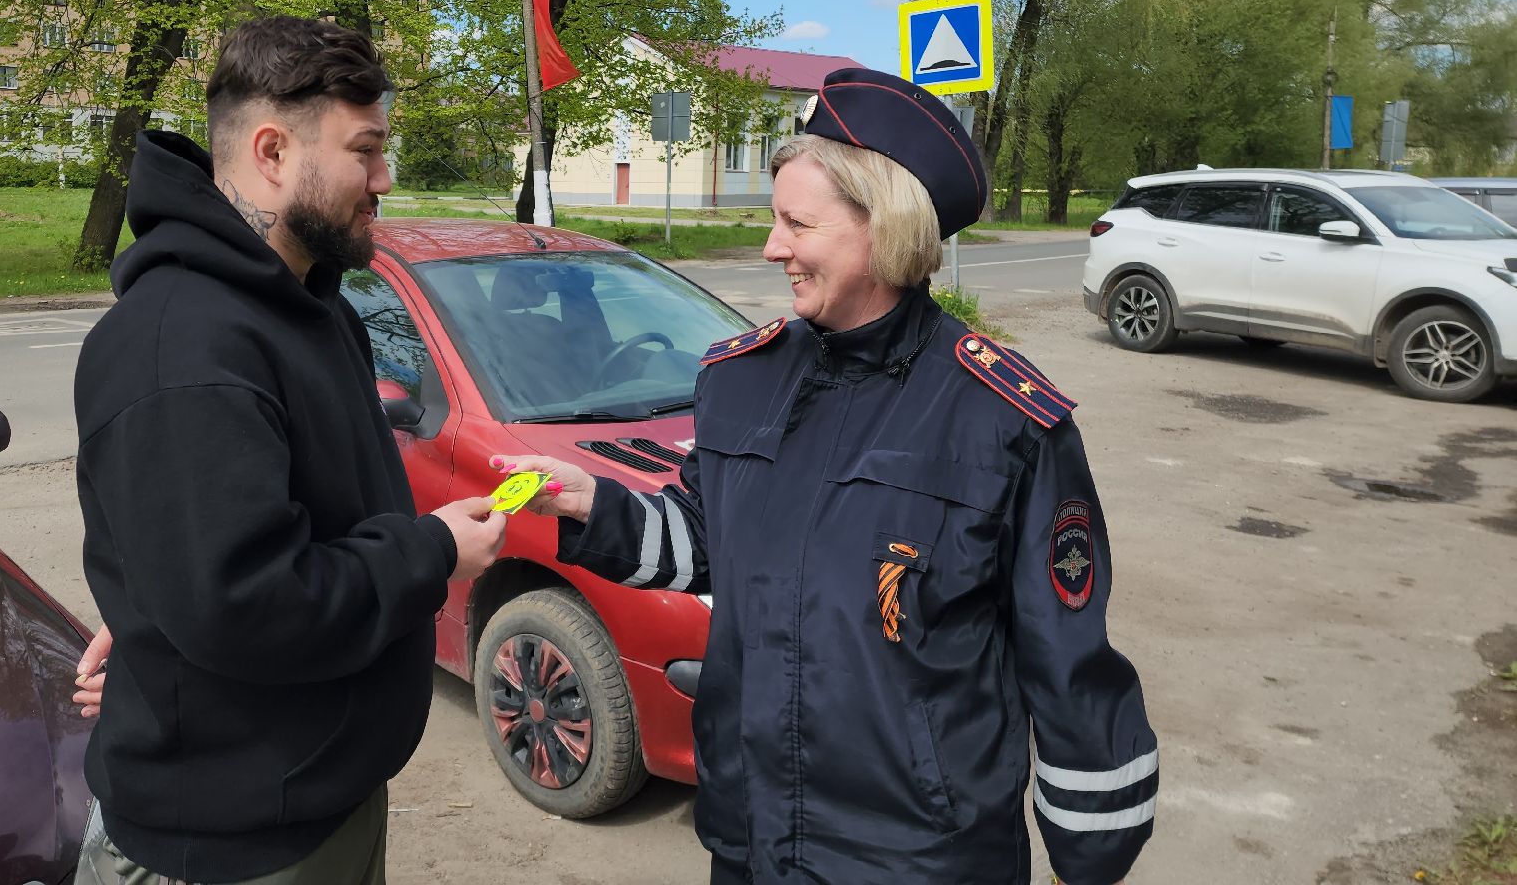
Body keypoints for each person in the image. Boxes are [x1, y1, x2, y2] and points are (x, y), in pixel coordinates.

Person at [494, 68, 1156, 885]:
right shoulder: (741, 378)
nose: (772, 248)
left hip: (918, 857)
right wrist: (594, 502)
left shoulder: (1003, 417)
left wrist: (1088, 857)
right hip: (748, 833)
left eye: (795, 224)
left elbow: (1067, 663)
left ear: (884, 228)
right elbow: (707, 538)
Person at [71, 15, 506, 885]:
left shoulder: (317, 310)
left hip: (317, 798)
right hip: (231, 847)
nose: (386, 179)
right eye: (365, 151)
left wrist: (158, 614)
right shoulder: (183, 349)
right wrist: (433, 552)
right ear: (272, 153)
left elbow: (226, 562)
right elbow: (247, 603)